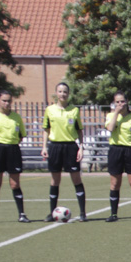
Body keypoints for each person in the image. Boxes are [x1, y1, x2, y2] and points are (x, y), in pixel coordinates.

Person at [41, 82, 87, 222]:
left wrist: (81, 147)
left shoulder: (74, 110)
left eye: (65, 91)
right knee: (55, 180)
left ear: (68, 93)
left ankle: (83, 213)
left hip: (70, 147)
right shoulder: (50, 110)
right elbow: (46, 130)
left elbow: (79, 130)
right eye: (60, 91)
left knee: (76, 179)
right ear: (56, 93)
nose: (62, 94)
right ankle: (51, 213)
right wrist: (44, 146)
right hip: (55, 147)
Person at [103, 91, 131, 222]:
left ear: (127, 102)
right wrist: (116, 112)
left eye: (122, 101)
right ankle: (113, 214)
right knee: (115, 183)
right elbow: (110, 128)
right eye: (117, 102)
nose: (120, 104)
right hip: (116, 150)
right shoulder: (111, 115)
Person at [0, 90, 29, 223]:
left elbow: (21, 136)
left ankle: (22, 214)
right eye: (4, 100)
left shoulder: (16, 117)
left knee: (15, 183)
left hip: (13, 150)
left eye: (9, 101)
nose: (7, 103)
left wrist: (11, 144)